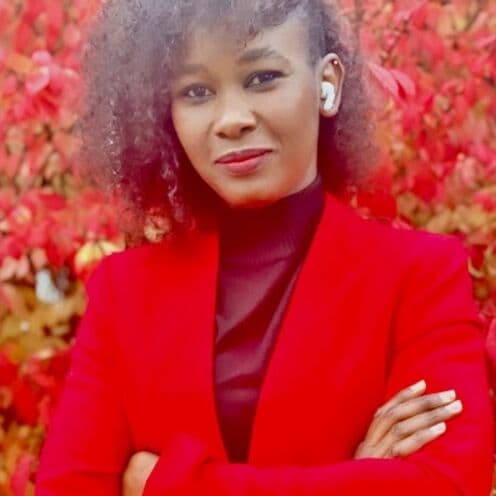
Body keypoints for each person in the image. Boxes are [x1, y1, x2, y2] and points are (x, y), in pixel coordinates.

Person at [35, 1, 494, 495]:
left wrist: (164, 483)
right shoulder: (123, 293)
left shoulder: (420, 275)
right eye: (196, 91)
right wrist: (360, 478)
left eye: (262, 78)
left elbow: (450, 484)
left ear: (327, 82)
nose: (232, 119)